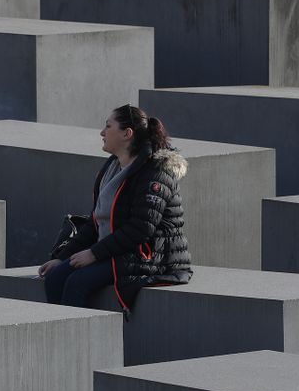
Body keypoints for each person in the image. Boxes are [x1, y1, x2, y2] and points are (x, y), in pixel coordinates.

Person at [39, 104, 192, 310]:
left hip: (149, 257)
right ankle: (61, 338)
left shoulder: (154, 173)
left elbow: (140, 229)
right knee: (55, 277)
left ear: (127, 134)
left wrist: (93, 254)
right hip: (114, 251)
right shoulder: (111, 168)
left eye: (108, 126)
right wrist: (62, 258)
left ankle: (82, 341)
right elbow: (96, 221)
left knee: (78, 282)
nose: (102, 133)